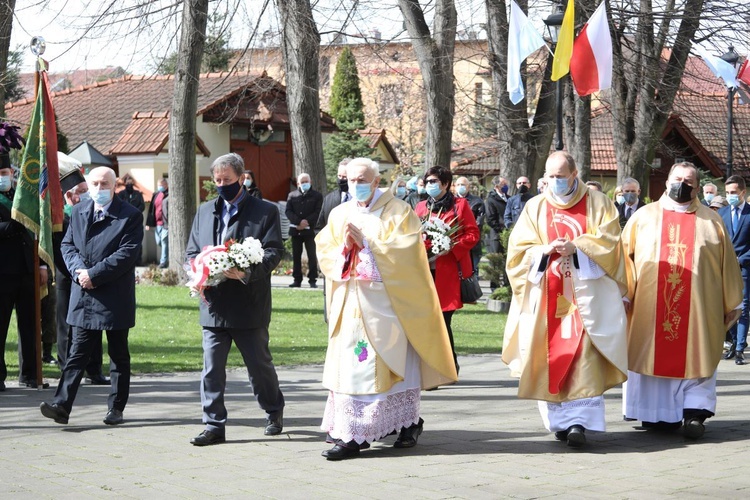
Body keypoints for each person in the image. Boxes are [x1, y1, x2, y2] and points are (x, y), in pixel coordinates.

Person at [315, 157, 458, 460]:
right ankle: (352, 427)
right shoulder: (340, 213)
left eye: (363, 180)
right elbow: (325, 251)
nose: (357, 186)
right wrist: (345, 251)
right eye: (352, 180)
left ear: (377, 181)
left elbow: (408, 255)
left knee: (380, 367)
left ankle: (370, 432)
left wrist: (367, 245)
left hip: (386, 308)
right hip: (348, 303)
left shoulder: (399, 212)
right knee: (351, 367)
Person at [503, 151, 629, 447]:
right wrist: (543, 251)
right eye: (549, 176)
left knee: (583, 354)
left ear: (574, 174)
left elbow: (611, 244)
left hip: (587, 296)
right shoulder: (535, 206)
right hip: (546, 291)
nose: (554, 182)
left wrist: (578, 247)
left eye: (560, 176)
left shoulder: (599, 203)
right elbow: (519, 251)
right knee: (549, 354)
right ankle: (560, 422)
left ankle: (579, 423)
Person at [622, 162, 743, 439]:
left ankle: (695, 413)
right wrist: (624, 294)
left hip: (700, 308)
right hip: (650, 309)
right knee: (652, 356)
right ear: (667, 181)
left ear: (697, 187)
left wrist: (732, 302)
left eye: (689, 181)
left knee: (698, 355)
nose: (682, 184)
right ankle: (658, 415)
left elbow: (727, 265)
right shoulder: (644, 217)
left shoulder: (711, 221)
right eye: (678, 179)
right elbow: (623, 260)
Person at [185, 153, 285, 446]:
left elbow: (274, 252)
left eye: (226, 180)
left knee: (259, 367)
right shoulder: (204, 212)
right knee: (212, 369)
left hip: (248, 304)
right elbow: (192, 251)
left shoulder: (265, 211)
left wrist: (244, 272)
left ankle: (273, 410)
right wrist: (200, 270)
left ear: (242, 178)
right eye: (217, 181)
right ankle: (214, 425)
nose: (221, 185)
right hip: (213, 305)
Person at [40, 166, 143, 425]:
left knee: (118, 354)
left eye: (104, 184)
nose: (99, 189)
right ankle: (61, 405)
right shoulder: (78, 211)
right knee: (77, 353)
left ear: (114, 185)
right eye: (94, 184)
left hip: (114, 295)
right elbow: (67, 245)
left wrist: (94, 274)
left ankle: (116, 408)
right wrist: (79, 272)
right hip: (84, 294)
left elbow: (126, 254)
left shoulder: (129, 215)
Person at [415, 166, 480, 375]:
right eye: (427, 182)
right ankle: (430, 367)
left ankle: (448, 365)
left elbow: (472, 234)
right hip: (425, 273)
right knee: (426, 321)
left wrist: (450, 247)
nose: (430, 185)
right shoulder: (421, 207)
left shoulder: (460, 205)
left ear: (445, 184)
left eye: (434, 181)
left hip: (449, 272)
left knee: (443, 320)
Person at [53, 158, 109, 384]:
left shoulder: (92, 211)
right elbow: (61, 251)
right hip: (69, 279)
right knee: (68, 326)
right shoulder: (61, 217)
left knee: (94, 324)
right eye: (82, 190)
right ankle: (69, 371)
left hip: (93, 278)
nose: (87, 194)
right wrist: (78, 273)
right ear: (69, 195)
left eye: (87, 189)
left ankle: (94, 370)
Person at [0, 161, 40, 390]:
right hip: (2, 273)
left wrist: (41, 266)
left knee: (30, 325)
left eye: (4, 173)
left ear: (12, 174)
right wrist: (15, 224)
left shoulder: (21, 196)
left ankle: (31, 373)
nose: (2, 177)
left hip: (27, 270)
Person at [719, 175, 750, 365]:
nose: (730, 196)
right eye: (728, 192)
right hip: (723, 269)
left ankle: (740, 348)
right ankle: (732, 343)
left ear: (743, 193)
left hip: (745, 267)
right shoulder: (721, 214)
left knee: (744, 308)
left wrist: (741, 258)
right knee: (726, 306)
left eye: (734, 193)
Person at [286, 172, 323, 288]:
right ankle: (297, 279)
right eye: (302, 182)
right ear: (298, 184)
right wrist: (298, 222)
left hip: (310, 231)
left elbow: (318, 211)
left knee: (312, 255)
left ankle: (312, 280)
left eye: (306, 181)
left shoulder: (317, 196)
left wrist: (306, 222)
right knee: (296, 256)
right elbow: (288, 211)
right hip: (296, 230)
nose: (305, 184)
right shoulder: (292, 195)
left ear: (310, 182)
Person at [454, 176, 485, 275]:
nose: (460, 187)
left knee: (473, 271)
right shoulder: (451, 202)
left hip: (472, 244)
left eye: (463, 184)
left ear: (468, 187)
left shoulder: (477, 202)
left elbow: (478, 222)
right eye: (458, 184)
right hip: (455, 244)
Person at [484, 176, 509, 289]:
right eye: (503, 184)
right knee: (495, 263)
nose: (505, 186)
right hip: (496, 236)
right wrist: (501, 230)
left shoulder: (508, 198)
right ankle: (494, 287)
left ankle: (506, 285)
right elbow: (490, 219)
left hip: (507, 235)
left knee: (507, 261)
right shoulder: (490, 200)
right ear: (496, 186)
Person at [316, 159, 351, 232]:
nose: (341, 179)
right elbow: (320, 227)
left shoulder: (362, 199)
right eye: (339, 176)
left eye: (344, 177)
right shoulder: (328, 199)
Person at [145, 177, 169, 268]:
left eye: (162, 185)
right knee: (159, 241)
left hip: (166, 223)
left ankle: (163, 262)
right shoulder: (156, 194)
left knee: (164, 241)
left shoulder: (169, 194)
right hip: (157, 223)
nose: (160, 187)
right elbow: (151, 209)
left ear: (166, 185)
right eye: (159, 185)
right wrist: (148, 223)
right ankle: (167, 255)